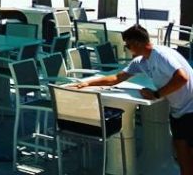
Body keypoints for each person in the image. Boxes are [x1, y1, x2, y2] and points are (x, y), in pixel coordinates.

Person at [74, 25, 193, 174]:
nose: (127, 48)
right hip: (179, 112)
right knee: (183, 156)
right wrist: (88, 83)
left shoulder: (160, 55)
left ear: (137, 43)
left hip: (190, 109)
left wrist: (157, 94)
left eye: (127, 45)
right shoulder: (141, 62)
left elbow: (182, 77)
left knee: (186, 155)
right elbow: (117, 78)